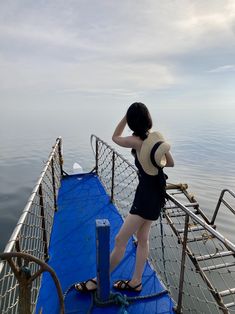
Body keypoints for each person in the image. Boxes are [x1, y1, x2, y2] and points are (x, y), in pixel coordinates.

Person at [75, 102, 174, 293]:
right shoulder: (155, 140)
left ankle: (98, 281)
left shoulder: (136, 141)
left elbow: (115, 137)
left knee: (121, 240)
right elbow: (170, 163)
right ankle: (136, 281)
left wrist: (124, 117)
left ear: (132, 121)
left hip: (144, 197)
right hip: (157, 195)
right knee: (143, 239)